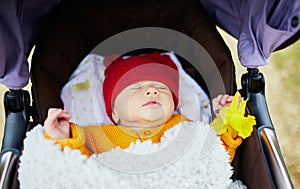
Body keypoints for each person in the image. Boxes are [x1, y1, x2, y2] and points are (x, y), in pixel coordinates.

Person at [44, 52, 240, 158]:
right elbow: (73, 160)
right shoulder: (98, 135)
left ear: (173, 105)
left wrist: (225, 121)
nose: (152, 91)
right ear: (114, 112)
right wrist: (62, 136)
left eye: (161, 88)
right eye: (134, 88)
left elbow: (215, 157)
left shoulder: (184, 126)